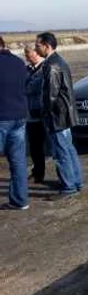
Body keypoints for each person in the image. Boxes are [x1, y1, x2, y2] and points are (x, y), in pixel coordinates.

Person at [35, 32, 83, 197]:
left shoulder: (52, 65)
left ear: (46, 46)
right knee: (68, 149)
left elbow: (51, 94)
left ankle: (68, 186)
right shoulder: (59, 61)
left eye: (37, 45)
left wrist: (46, 113)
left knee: (61, 152)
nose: (36, 49)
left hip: (57, 116)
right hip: (64, 114)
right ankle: (75, 181)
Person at [0, 36, 30, 210]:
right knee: (18, 161)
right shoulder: (19, 63)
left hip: (2, 117)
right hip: (19, 117)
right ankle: (20, 200)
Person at [24, 46, 48, 184]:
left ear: (36, 53)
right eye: (25, 55)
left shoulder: (45, 68)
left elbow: (32, 87)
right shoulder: (28, 69)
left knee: (53, 147)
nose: (27, 57)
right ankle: (38, 173)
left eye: (28, 54)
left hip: (44, 112)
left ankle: (65, 178)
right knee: (34, 146)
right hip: (31, 114)